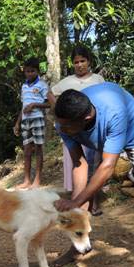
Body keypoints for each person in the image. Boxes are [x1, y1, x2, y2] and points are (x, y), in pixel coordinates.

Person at [52, 82, 134, 267]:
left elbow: (107, 167)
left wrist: (76, 202)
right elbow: (79, 163)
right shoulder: (65, 121)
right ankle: (77, 249)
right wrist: (76, 203)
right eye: (60, 123)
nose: (60, 128)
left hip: (133, 130)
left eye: (65, 125)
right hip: (94, 132)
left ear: (86, 117)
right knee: (81, 196)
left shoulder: (114, 113)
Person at [47, 45, 105, 215]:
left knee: (95, 165)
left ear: (89, 61)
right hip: (74, 129)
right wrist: (58, 108)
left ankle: (93, 204)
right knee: (79, 164)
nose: (79, 64)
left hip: (93, 128)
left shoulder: (98, 80)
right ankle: (78, 202)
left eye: (83, 61)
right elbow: (50, 93)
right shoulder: (67, 82)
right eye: (76, 62)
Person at [13, 57, 50, 189]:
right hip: (25, 121)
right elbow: (23, 106)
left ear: (37, 71)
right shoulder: (23, 86)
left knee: (39, 149)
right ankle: (27, 180)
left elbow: (50, 103)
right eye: (27, 71)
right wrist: (17, 123)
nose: (29, 74)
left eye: (32, 71)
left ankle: (38, 180)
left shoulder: (43, 85)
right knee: (27, 150)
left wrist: (34, 105)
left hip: (38, 119)